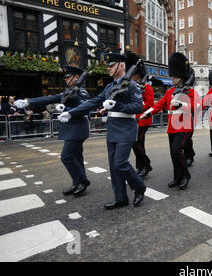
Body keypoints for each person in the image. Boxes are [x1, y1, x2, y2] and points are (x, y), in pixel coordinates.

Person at [58, 53, 147, 209]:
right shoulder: (109, 87)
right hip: (113, 129)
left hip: (126, 129)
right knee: (113, 166)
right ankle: (120, 197)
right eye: (108, 66)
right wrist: (72, 112)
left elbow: (138, 107)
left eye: (112, 65)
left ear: (121, 66)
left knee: (120, 163)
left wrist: (117, 106)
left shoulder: (132, 85)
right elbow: (93, 102)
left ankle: (139, 187)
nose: (109, 68)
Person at [14, 66, 91, 196]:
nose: (65, 79)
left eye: (68, 77)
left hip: (78, 128)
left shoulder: (81, 92)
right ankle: (77, 183)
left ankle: (83, 181)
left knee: (66, 157)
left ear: (77, 78)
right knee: (76, 157)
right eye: (65, 77)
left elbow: (84, 107)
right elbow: (49, 98)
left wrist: (66, 107)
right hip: (70, 128)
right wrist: (28, 102)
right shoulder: (69, 91)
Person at [141, 52, 197, 190]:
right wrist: (147, 113)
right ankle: (177, 177)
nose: (172, 78)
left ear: (182, 77)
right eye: (172, 76)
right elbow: (159, 104)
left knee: (176, 150)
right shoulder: (169, 91)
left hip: (184, 126)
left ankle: (185, 175)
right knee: (173, 154)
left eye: (175, 76)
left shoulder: (190, 91)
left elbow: (195, 106)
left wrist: (182, 105)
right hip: (172, 126)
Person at [128, 52, 154, 178]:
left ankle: (145, 165)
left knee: (137, 143)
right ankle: (141, 166)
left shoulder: (147, 87)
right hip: (135, 119)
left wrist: (137, 104)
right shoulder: (132, 86)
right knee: (137, 144)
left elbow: (149, 103)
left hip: (144, 120)